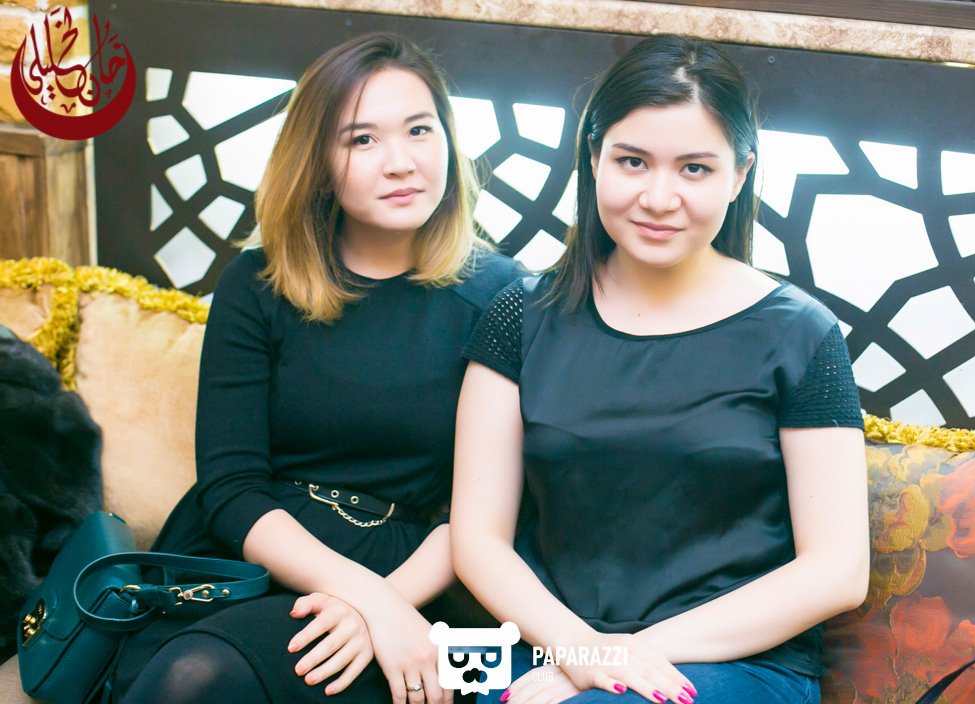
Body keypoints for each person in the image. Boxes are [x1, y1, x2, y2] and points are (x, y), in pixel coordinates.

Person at [452, 35, 868, 704]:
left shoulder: (801, 334)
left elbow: (838, 572)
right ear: (594, 159)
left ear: (740, 174)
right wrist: (580, 651)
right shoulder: (520, 315)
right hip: (544, 642)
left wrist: (618, 657)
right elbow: (478, 539)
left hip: (732, 661)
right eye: (632, 161)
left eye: (695, 169)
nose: (658, 196)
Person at [111, 32, 520, 704]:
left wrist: (387, 605)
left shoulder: (501, 294)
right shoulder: (257, 284)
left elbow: (490, 509)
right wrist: (365, 599)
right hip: (265, 554)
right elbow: (232, 486)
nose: (401, 163)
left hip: (423, 571)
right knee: (192, 677)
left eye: (420, 130)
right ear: (319, 163)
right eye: (362, 140)